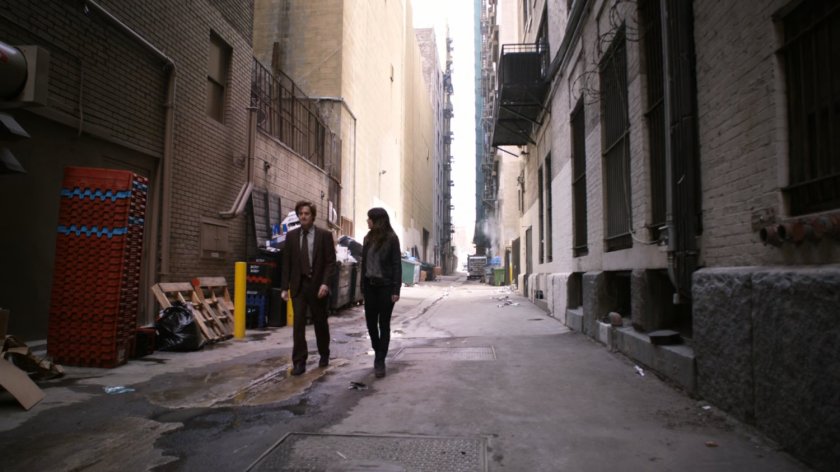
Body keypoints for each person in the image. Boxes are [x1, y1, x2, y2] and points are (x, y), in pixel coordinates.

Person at [280, 201, 337, 376]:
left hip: (317, 285)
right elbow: (287, 264)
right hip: (299, 286)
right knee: (298, 324)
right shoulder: (291, 236)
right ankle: (299, 362)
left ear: (313, 216)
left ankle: (324, 353)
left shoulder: (324, 236)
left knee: (320, 322)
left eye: (306, 213)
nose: (303, 216)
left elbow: (331, 263)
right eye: (300, 213)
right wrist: (284, 288)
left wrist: (325, 283)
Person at [361, 207, 402, 378]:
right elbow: (363, 265)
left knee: (383, 324)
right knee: (371, 323)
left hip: (386, 287)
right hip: (370, 286)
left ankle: (380, 361)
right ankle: (378, 350)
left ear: (377, 221)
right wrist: (362, 287)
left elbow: (396, 265)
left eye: (369, 218)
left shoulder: (392, 239)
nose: (367, 221)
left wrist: (395, 289)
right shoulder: (367, 239)